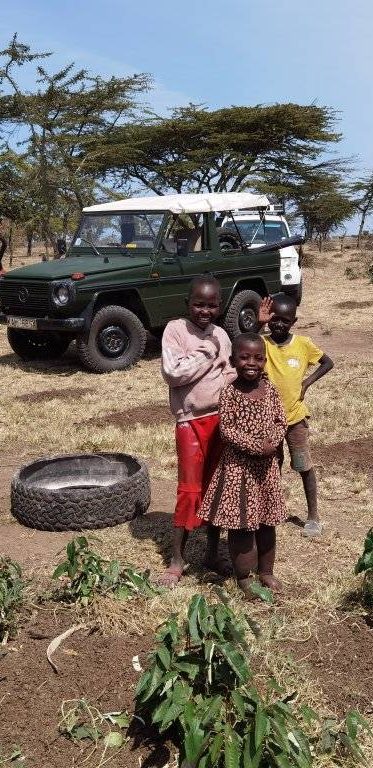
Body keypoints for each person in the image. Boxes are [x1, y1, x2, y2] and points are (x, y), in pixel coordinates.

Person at [158, 275, 236, 586]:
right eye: (199, 304)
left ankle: (213, 552)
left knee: (217, 487)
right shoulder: (176, 331)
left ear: (220, 306)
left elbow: (229, 370)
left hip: (220, 419)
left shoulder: (221, 334)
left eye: (212, 305)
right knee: (189, 490)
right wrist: (207, 352)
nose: (205, 310)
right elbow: (174, 373)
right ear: (187, 303)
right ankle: (177, 559)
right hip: (190, 422)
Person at [198, 332, 287, 595]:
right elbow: (227, 430)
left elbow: (281, 420)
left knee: (267, 521)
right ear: (232, 360)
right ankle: (245, 577)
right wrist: (256, 446)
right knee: (242, 525)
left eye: (258, 358)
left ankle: (267, 571)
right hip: (240, 469)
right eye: (244, 357)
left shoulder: (270, 389)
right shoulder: (230, 393)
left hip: (266, 470)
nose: (252, 363)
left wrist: (273, 440)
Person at [257, 294, 334, 537]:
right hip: (269, 420)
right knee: (271, 466)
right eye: (274, 319)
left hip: (295, 419)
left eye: (285, 320)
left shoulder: (303, 344)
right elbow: (240, 345)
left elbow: (327, 363)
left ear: (294, 321)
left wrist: (306, 383)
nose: (278, 324)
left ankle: (313, 515)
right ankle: (270, 509)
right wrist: (259, 324)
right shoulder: (262, 344)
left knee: (303, 465)